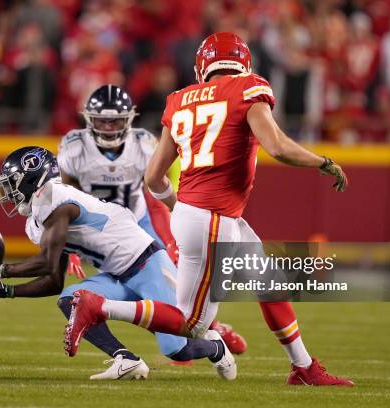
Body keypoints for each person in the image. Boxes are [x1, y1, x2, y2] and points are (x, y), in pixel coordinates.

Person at [64, 32, 354, 386]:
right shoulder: (248, 88)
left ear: (203, 66)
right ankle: (97, 306)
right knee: (192, 324)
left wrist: (180, 208)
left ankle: (304, 367)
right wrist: (323, 162)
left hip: (204, 214)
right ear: (243, 63)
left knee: (269, 283)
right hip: (213, 218)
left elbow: (153, 178)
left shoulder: (181, 99)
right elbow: (276, 146)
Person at [0, 146, 236, 381]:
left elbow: (45, 262)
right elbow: (54, 281)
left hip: (147, 264)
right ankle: (125, 359)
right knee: (71, 300)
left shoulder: (56, 200)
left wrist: (0, 270)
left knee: (177, 349)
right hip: (116, 274)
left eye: (12, 183)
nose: (7, 192)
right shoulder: (37, 221)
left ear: (33, 178)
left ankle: (214, 347)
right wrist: (8, 290)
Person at [57, 84, 247, 360]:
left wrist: (169, 236)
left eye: (116, 121)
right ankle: (198, 334)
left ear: (129, 119)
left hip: (139, 225)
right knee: (144, 289)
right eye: (102, 120)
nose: (109, 128)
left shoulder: (144, 144)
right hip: (99, 232)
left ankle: (208, 330)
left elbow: (157, 190)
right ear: (89, 119)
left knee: (169, 285)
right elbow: (66, 198)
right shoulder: (75, 148)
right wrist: (71, 247)